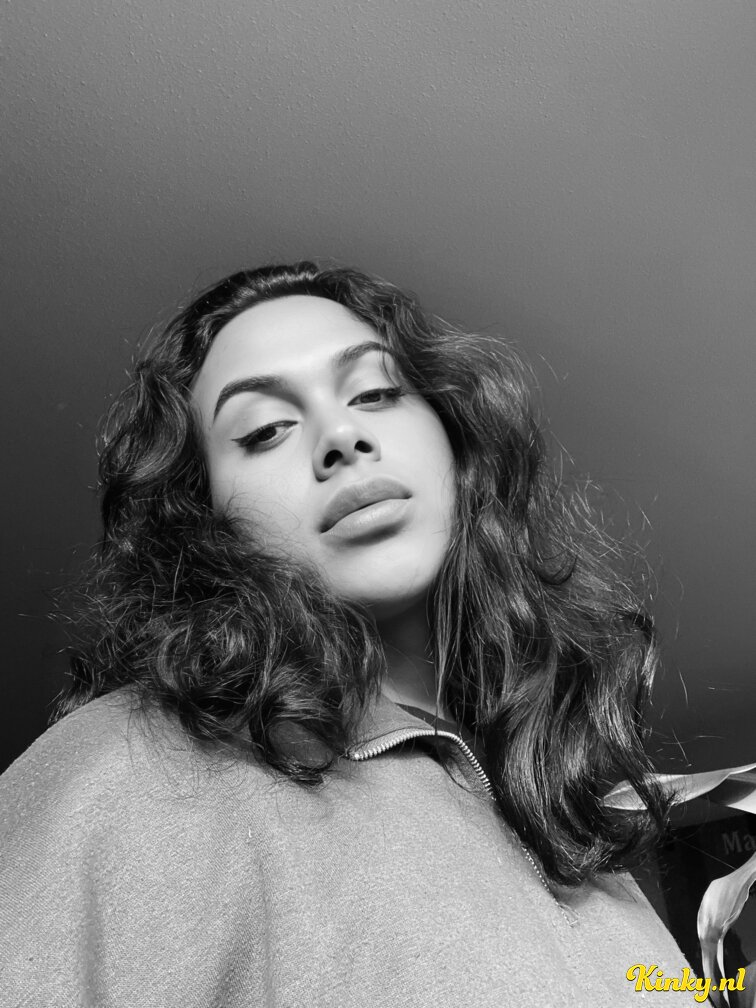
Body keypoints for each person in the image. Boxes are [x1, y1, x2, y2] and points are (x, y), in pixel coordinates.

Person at [0, 262, 702, 1006]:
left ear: (456, 445)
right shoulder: (132, 765)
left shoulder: (590, 855)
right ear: (203, 519)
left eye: (374, 393)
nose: (340, 435)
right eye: (265, 430)